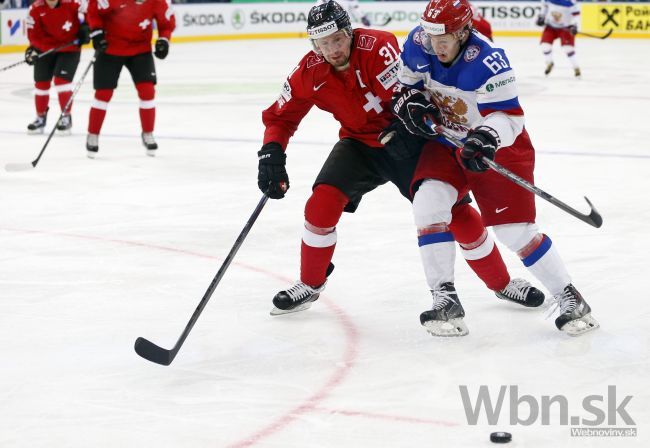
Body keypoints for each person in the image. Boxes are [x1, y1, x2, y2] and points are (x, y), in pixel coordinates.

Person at [258, 1, 544, 326]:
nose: (332, 49)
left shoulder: (377, 47)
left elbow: (410, 93)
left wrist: (408, 125)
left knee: (458, 215)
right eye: (323, 43)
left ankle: (502, 283)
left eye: (337, 39)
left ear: (348, 32)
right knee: (320, 203)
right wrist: (271, 153)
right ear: (313, 44)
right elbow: (280, 117)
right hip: (359, 144)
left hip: (409, 141)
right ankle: (310, 283)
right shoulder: (309, 72)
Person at [393, 0, 599, 336]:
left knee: (514, 232)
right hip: (446, 142)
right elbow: (405, 87)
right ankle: (444, 299)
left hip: (496, 146)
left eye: (443, 37)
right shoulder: (419, 43)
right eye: (431, 35)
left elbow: (509, 119)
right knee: (428, 202)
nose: (435, 44)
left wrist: (488, 136)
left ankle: (569, 296)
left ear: (463, 31)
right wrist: (408, 103)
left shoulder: (488, 61)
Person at [85, 0, 176, 158]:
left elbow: (166, 22)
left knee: (147, 91)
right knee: (103, 94)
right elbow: (94, 11)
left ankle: (148, 132)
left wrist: (164, 40)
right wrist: (97, 32)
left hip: (140, 49)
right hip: (111, 48)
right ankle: (93, 134)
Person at [24, 0, 90, 135]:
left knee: (61, 81)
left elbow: (92, 12)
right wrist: (36, 49)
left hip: (69, 48)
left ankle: (66, 116)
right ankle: (40, 117)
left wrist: (87, 27)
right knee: (41, 83)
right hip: (45, 50)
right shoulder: (35, 9)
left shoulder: (73, 3)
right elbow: (33, 35)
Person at [536, 0, 581, 78]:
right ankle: (550, 63)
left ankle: (576, 67)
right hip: (551, 26)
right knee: (545, 46)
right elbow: (545, 7)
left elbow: (576, 15)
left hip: (566, 27)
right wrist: (541, 16)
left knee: (568, 49)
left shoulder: (571, 2)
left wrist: (575, 25)